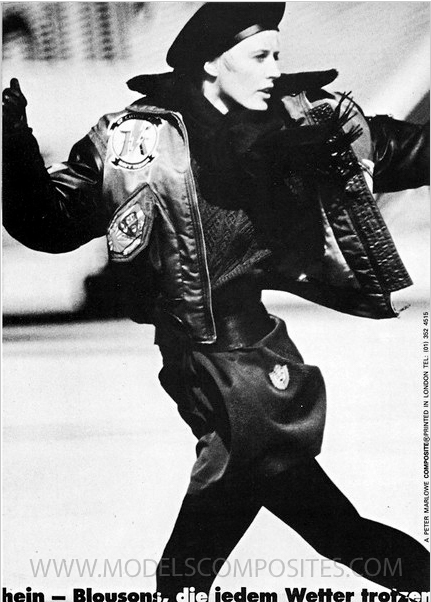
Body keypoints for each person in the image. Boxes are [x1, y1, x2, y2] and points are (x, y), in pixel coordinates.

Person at [3, 2, 430, 598]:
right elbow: (49, 224)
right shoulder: (130, 142)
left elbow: (409, 149)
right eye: (260, 56)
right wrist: (12, 143)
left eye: (278, 55)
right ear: (211, 63)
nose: (275, 70)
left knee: (201, 563)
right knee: (334, 530)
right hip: (196, 369)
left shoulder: (303, 125)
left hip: (247, 371)